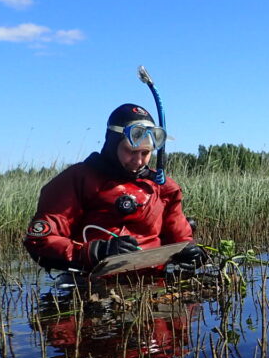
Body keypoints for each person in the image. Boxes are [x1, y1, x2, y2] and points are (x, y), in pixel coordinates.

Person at [24, 102, 205, 272]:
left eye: (146, 153)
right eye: (131, 151)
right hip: (91, 286)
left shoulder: (164, 188)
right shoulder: (77, 180)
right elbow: (40, 242)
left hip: (153, 287)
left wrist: (191, 253)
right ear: (112, 143)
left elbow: (181, 240)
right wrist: (95, 251)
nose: (139, 160)